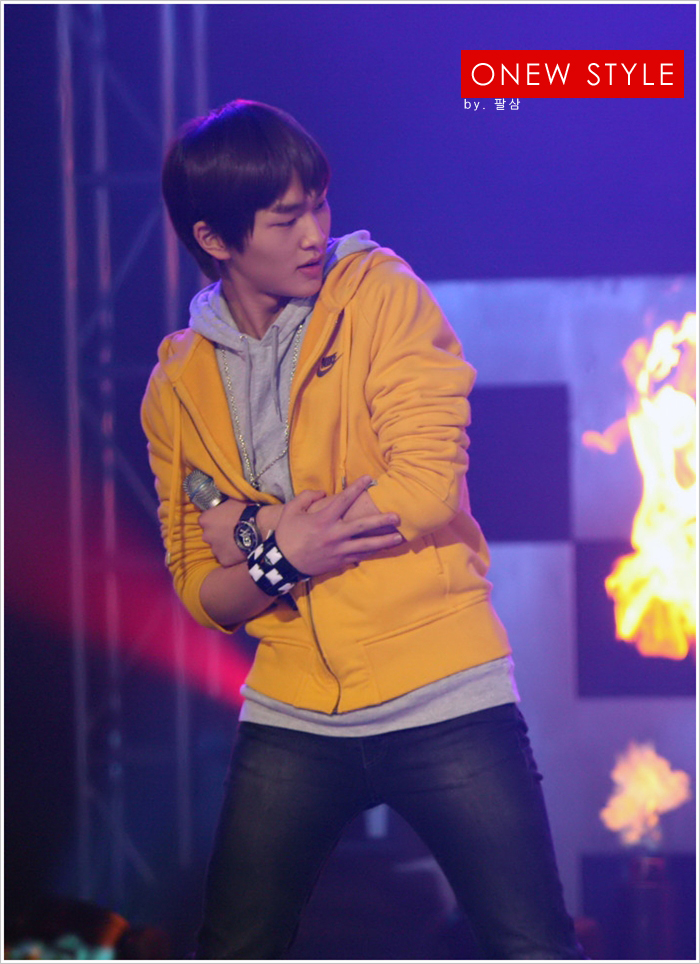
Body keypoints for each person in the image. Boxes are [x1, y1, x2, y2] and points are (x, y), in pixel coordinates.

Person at [141, 99, 584, 960]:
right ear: (215, 238)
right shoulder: (176, 385)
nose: (315, 234)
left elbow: (423, 490)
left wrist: (260, 530)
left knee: (531, 944)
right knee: (233, 946)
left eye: (319, 205)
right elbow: (201, 588)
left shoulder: (380, 294)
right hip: (293, 707)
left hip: (444, 687)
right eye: (286, 219)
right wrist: (284, 559)